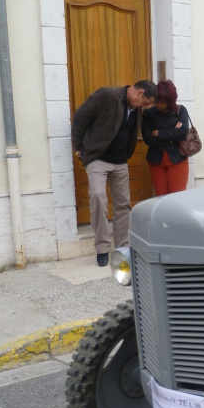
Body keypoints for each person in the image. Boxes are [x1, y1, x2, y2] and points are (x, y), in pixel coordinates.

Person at [72, 80, 157, 267]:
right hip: (97, 159)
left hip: (120, 162)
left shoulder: (137, 109)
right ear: (138, 92)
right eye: (144, 103)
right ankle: (102, 248)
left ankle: (122, 247)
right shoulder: (107, 95)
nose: (143, 107)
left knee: (123, 205)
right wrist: (79, 146)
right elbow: (80, 117)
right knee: (98, 197)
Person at [141, 79, 190, 195]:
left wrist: (159, 133)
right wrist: (173, 133)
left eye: (163, 102)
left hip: (178, 159)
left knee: (177, 197)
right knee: (161, 197)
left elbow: (183, 133)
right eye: (157, 101)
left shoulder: (180, 110)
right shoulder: (148, 114)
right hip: (156, 161)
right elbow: (148, 139)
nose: (159, 105)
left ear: (170, 101)